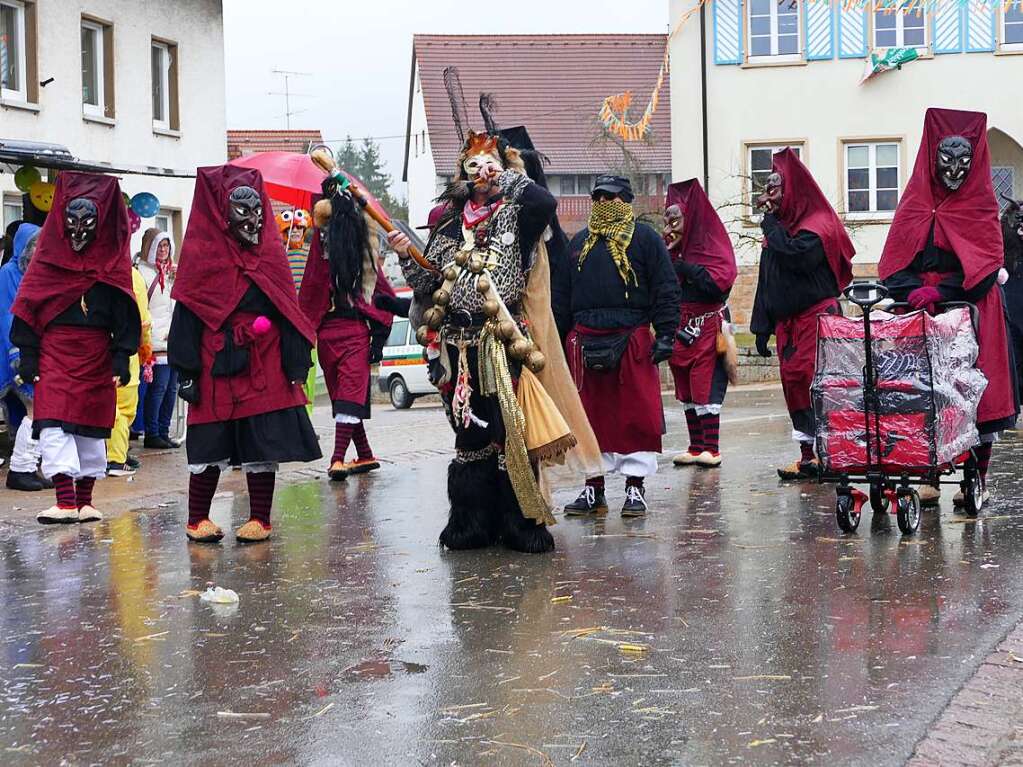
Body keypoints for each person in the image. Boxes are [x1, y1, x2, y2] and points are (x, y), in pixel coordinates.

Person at [391, 118, 582, 553]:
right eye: (473, 165)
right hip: (458, 344)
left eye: (489, 164)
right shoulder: (448, 222)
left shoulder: (518, 213)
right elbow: (428, 281)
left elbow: (545, 202)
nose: (481, 172)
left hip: (502, 340)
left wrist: (508, 174)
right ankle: (470, 524)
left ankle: (520, 524)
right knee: (469, 436)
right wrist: (405, 257)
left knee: (509, 431)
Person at [168, 165, 321, 544]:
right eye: (241, 209)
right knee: (208, 437)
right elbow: (187, 313)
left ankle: (260, 518)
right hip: (213, 359)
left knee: (262, 437)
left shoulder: (271, 254)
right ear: (222, 213)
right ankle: (198, 518)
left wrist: (296, 363)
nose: (251, 219)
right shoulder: (201, 257)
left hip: (263, 359)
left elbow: (288, 311)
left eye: (257, 210)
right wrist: (185, 370)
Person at [879, 108, 1018, 509]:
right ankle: (928, 476)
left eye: (963, 160)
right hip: (920, 312)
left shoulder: (980, 204)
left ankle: (976, 478)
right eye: (946, 159)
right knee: (924, 395)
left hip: (971, 308)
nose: (954, 169)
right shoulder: (916, 200)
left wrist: (944, 293)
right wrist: (913, 291)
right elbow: (897, 261)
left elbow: (987, 267)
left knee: (972, 394)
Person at [11, 172, 141, 524]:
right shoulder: (48, 262)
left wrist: (121, 357)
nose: (80, 229)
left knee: (90, 425)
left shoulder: (111, 266)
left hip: (97, 354)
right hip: (54, 353)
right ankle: (65, 501)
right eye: (73, 221)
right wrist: (29, 356)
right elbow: (29, 306)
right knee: (53, 425)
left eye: (88, 222)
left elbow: (125, 313)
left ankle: (84, 502)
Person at [560, 175, 681, 517]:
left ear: (626, 200)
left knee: (635, 418)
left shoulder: (645, 240)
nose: (605, 203)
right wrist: (555, 342)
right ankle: (592, 489)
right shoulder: (578, 244)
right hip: (584, 339)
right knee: (587, 419)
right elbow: (561, 296)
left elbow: (666, 288)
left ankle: (634, 490)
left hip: (632, 337)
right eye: (598, 196)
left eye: (612, 197)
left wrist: (668, 333)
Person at [750, 148, 854, 480]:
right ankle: (808, 456)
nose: (769, 197)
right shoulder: (779, 229)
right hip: (788, 325)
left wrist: (769, 225)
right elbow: (768, 277)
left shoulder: (817, 225)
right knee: (794, 386)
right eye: (766, 189)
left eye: (774, 189)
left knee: (818, 387)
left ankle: (831, 455)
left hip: (816, 319)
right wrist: (761, 326)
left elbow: (796, 258)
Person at [300, 184, 395, 480]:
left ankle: (338, 458)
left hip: (353, 331)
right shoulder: (322, 253)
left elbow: (382, 294)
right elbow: (311, 291)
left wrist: (377, 338)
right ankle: (364, 454)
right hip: (330, 332)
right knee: (345, 397)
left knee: (348, 396)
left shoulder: (361, 256)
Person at [664, 179, 738, 467]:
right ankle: (695, 447)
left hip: (708, 325)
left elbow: (719, 285)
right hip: (680, 326)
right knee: (685, 386)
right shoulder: (668, 249)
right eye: (667, 219)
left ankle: (712, 448)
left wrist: (686, 268)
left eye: (676, 219)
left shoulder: (711, 245)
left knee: (705, 384)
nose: (670, 226)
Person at [0, 223, 45, 491]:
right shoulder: (8, 274)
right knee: (36, 407)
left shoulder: (32, 275)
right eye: (33, 245)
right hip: (13, 353)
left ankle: (31, 465)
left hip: (29, 350)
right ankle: (20, 468)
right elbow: (8, 317)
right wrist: (17, 353)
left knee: (36, 409)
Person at [106, 262, 152, 476]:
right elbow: (142, 320)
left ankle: (116, 453)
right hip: (126, 352)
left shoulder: (93, 269)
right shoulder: (133, 276)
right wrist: (146, 351)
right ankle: (115, 458)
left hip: (98, 351)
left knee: (112, 405)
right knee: (123, 408)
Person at [136, 228, 180, 449]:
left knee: (172, 387)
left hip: (172, 336)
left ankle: (164, 430)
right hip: (154, 338)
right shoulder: (142, 273)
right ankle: (152, 431)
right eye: (159, 246)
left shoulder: (171, 272)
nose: (164, 250)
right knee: (159, 387)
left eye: (166, 246)